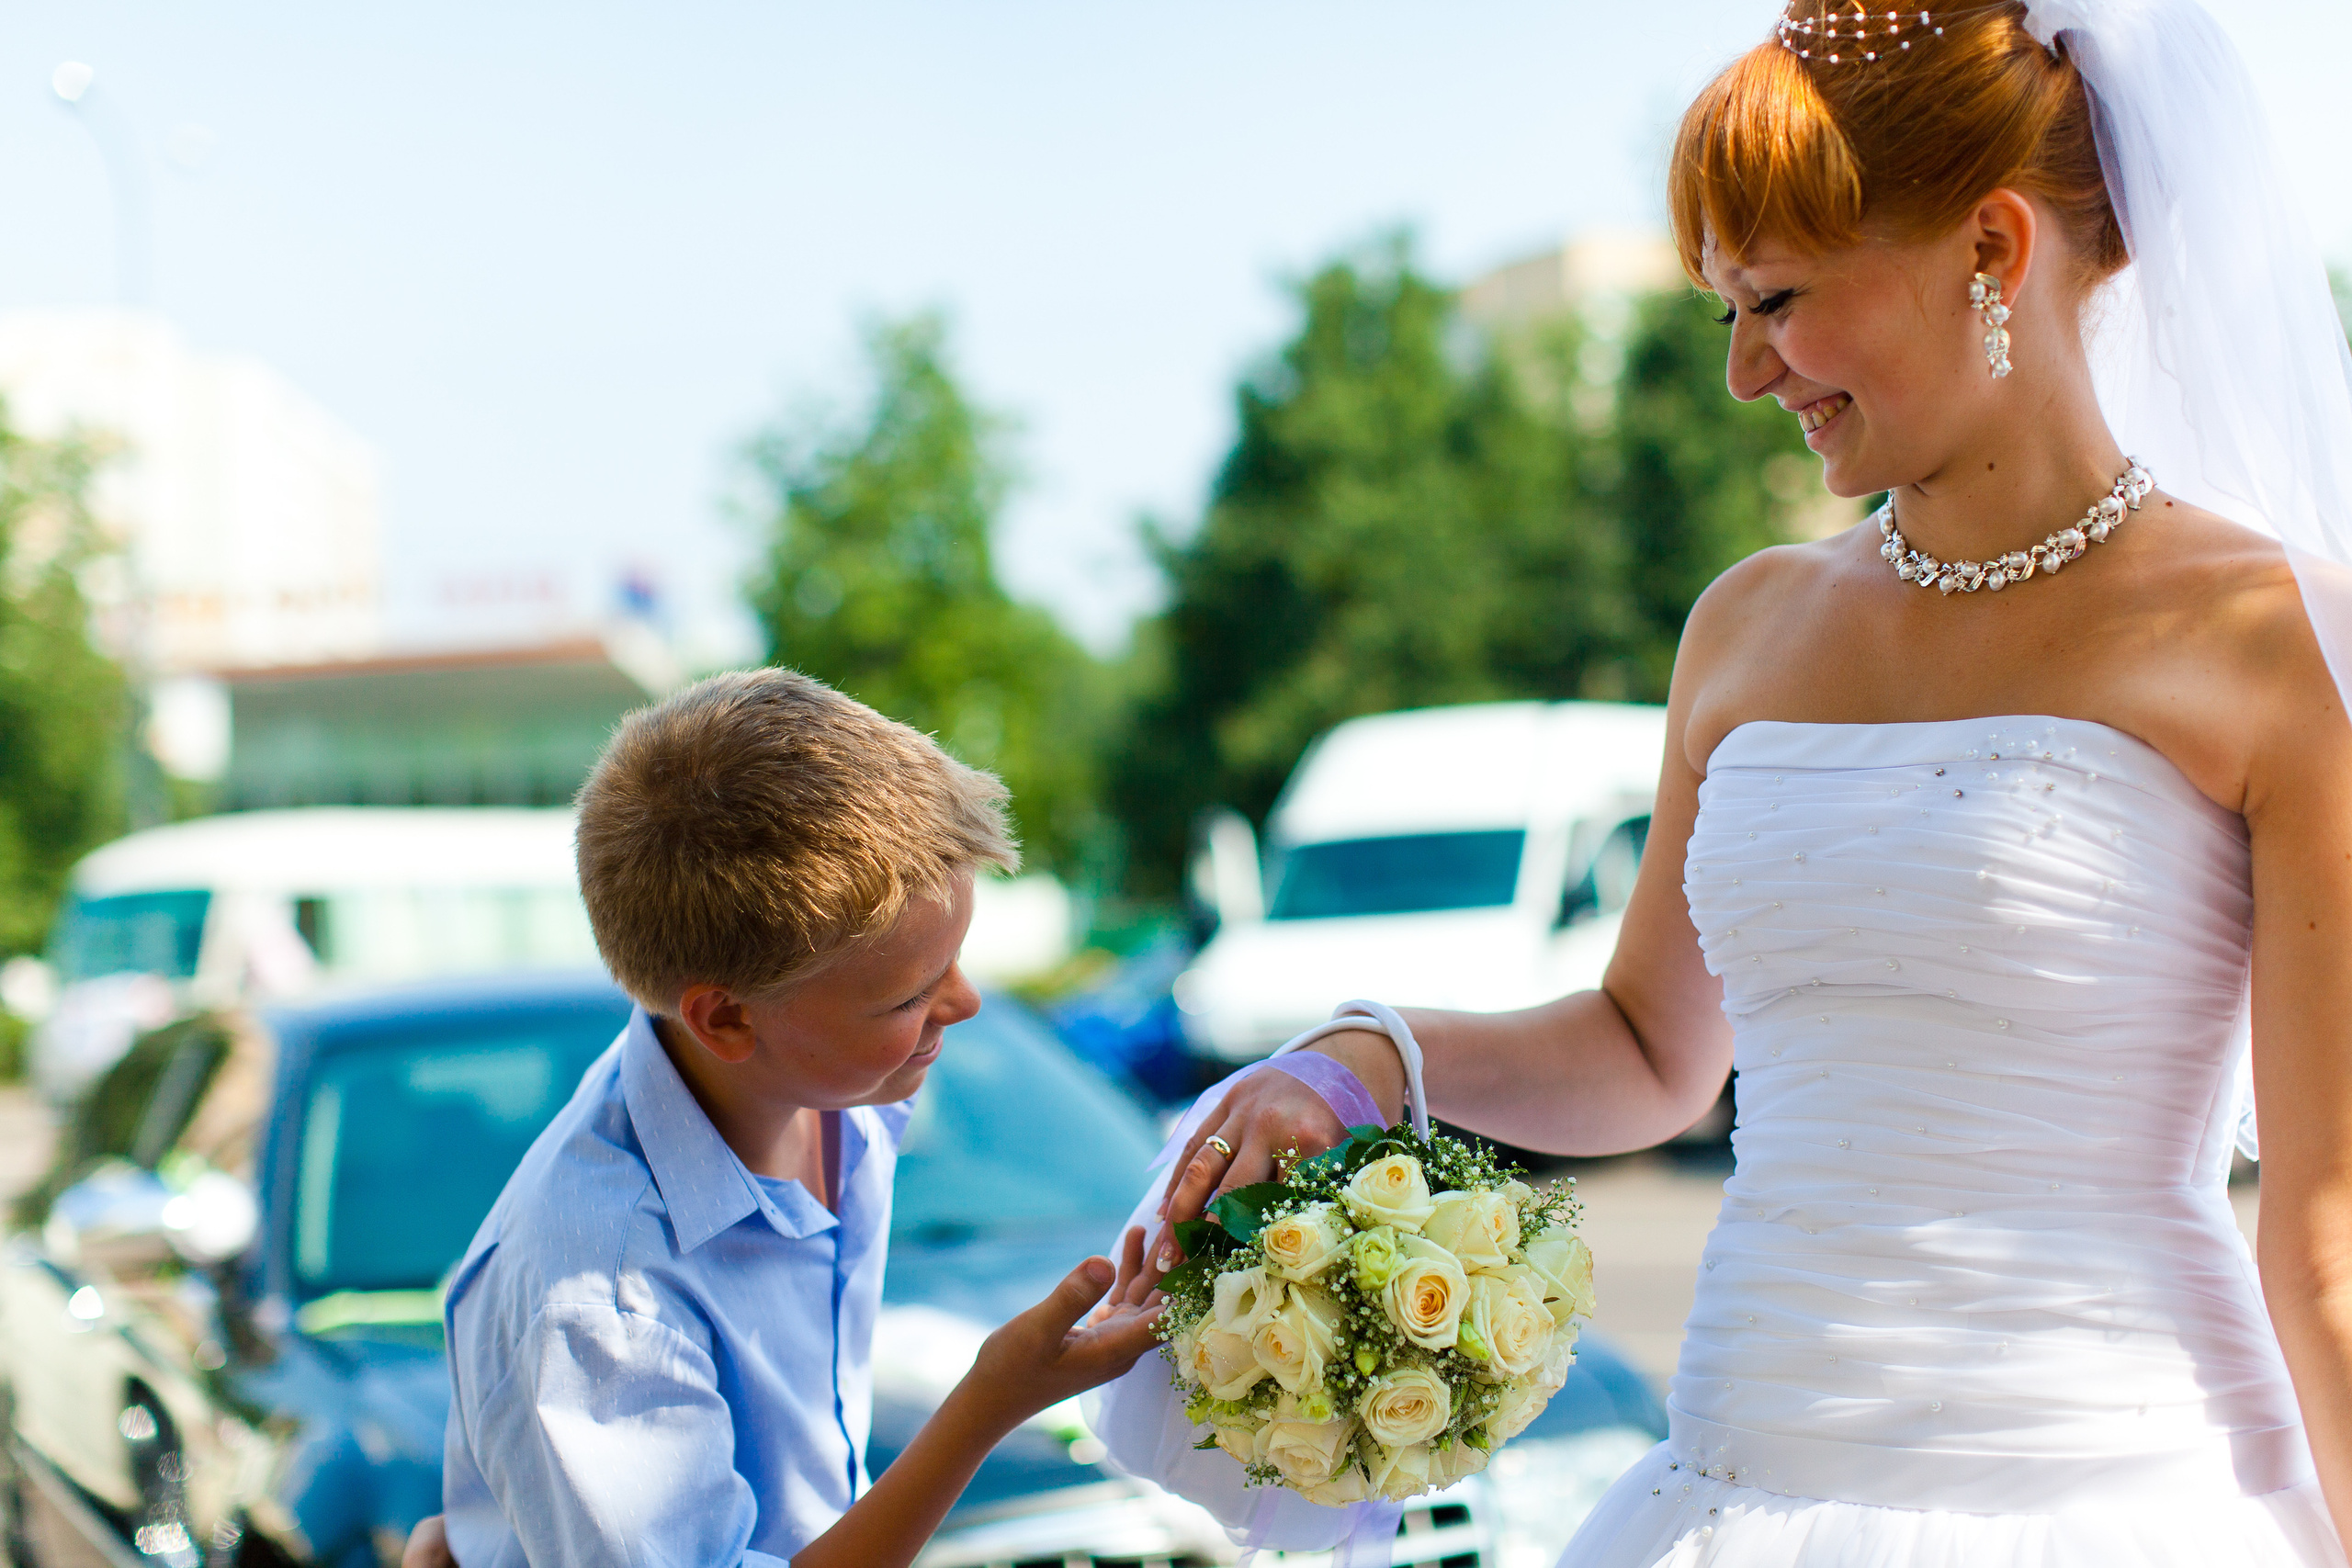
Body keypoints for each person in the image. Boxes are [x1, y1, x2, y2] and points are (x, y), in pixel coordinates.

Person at [1112, 1, 2352, 1561]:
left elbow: (2330, 1238)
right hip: (1732, 1487)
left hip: (2115, 1494)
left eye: (1775, 299)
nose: (1747, 373)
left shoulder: (2267, 639)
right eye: (1724, 314)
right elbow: (1646, 1048)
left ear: (1991, 249)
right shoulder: (1749, 627)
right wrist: (1362, 1055)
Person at [404, 668, 1159, 1568]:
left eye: (955, 960)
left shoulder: (837, 1091)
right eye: (911, 996)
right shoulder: (601, 1306)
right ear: (725, 1019)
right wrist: (989, 1403)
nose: (962, 1003)